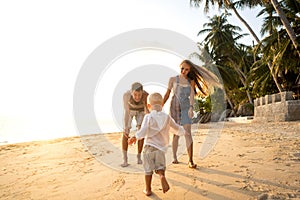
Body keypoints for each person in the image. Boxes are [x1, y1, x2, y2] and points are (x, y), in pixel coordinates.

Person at [163, 59, 219, 168]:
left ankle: (190, 160)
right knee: (176, 133)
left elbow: (192, 96)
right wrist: (159, 106)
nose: (183, 71)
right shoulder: (173, 80)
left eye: (186, 69)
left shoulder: (191, 81)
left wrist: (191, 108)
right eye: (182, 68)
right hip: (174, 107)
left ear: (190, 70)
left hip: (185, 107)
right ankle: (174, 157)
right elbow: (167, 94)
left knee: (187, 133)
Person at [128, 92, 186, 196]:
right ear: (162, 105)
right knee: (160, 167)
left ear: (149, 106)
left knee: (148, 170)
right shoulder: (167, 117)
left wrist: (135, 137)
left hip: (149, 148)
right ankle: (161, 176)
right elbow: (176, 128)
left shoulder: (148, 117)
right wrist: (183, 131)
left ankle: (148, 189)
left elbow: (144, 130)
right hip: (160, 149)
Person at [122, 82, 149, 167]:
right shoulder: (126, 96)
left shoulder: (145, 95)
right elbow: (126, 111)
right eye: (135, 95)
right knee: (126, 132)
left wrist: (147, 122)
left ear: (142, 92)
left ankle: (139, 156)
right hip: (130, 111)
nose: (137, 97)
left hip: (141, 111)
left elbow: (146, 109)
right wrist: (126, 126)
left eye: (139, 95)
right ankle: (125, 159)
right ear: (131, 92)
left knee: (141, 132)